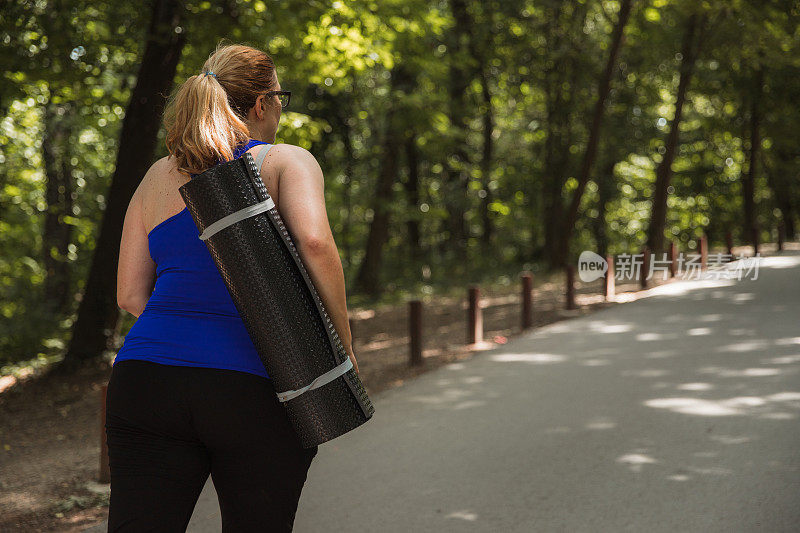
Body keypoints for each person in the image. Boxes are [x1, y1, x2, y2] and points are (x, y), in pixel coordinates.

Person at [106, 41, 359, 532]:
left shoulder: (158, 176)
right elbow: (315, 242)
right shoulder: (286, 162)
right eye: (280, 96)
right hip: (255, 382)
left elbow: (129, 296)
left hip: (144, 380)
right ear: (263, 103)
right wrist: (340, 344)